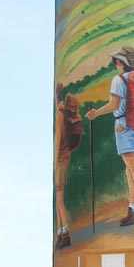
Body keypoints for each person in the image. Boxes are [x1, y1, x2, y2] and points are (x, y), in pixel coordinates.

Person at [85, 46, 134, 228]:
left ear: (119, 62)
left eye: (115, 60)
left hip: (125, 127)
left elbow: (114, 104)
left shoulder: (119, 80)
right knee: (131, 171)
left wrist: (95, 113)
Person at [54, 83, 82, 249]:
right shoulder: (68, 114)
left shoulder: (60, 114)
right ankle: (60, 233)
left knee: (59, 198)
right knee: (58, 198)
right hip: (67, 156)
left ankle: (65, 234)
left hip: (60, 158)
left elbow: (57, 139)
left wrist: (54, 161)